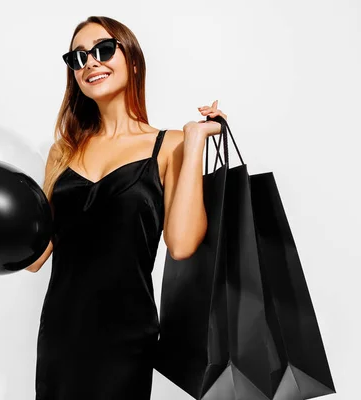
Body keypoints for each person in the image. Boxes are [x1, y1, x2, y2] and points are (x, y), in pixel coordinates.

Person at [25, 16, 228, 400]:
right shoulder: (62, 152)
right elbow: (35, 258)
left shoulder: (169, 145)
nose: (90, 63)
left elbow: (182, 243)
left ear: (133, 60)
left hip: (125, 337)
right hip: (61, 336)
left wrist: (196, 138)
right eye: (78, 57)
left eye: (103, 50)